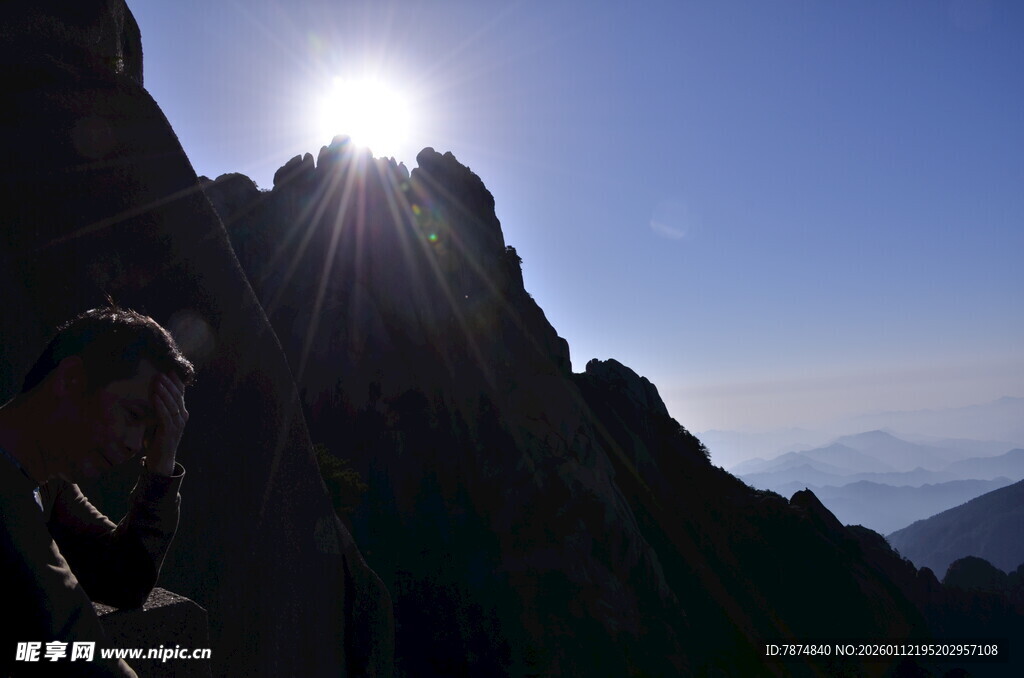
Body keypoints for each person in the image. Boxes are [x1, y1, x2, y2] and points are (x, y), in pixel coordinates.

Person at [0, 307, 194, 677]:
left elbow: (123, 580)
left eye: (151, 434)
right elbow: (75, 647)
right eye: (134, 415)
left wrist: (161, 465)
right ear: (71, 379)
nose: (136, 445)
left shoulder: (47, 481)